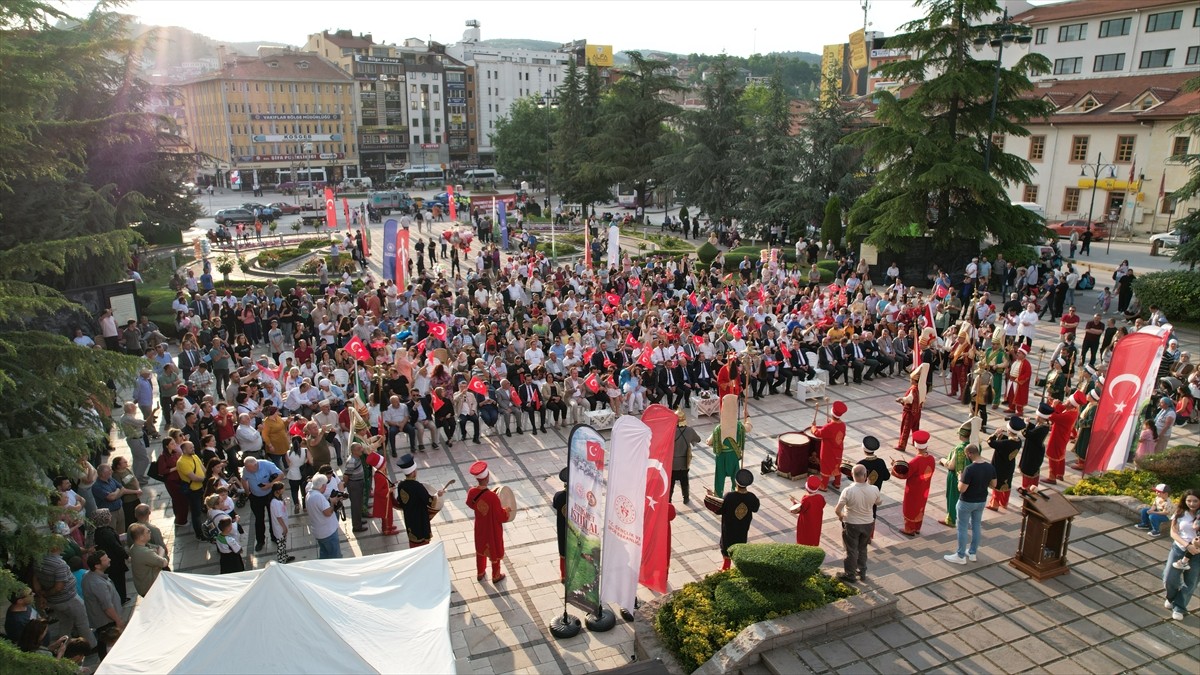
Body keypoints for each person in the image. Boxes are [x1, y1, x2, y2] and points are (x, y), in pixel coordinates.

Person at [34, 544, 95, 649]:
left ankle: (63, 647)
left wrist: (42, 594)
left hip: (55, 601)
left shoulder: (38, 561)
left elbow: (35, 578)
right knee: (82, 622)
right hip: (68, 599)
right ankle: (91, 646)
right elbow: (59, 587)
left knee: (65, 623)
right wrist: (45, 594)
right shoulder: (59, 564)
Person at [944, 444, 996, 565]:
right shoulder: (990, 467)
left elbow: (961, 489)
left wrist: (959, 478)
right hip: (981, 501)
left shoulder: (970, 469)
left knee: (962, 527)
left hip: (967, 502)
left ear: (969, 454)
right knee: (976, 526)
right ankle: (972, 553)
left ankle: (960, 555)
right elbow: (994, 484)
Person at [835, 464, 881, 583]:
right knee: (862, 548)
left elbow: (837, 510)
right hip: (868, 524)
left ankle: (850, 574)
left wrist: (841, 517)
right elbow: (879, 502)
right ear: (865, 475)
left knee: (851, 549)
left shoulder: (848, 491)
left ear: (851, 475)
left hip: (851, 524)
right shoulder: (874, 489)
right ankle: (862, 571)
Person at [466, 460, 511, 583]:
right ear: (487, 477)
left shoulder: (472, 492)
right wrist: (506, 510)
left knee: (480, 548)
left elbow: (470, 503)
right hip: (492, 528)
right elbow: (500, 517)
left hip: (480, 526)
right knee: (494, 549)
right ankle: (496, 576)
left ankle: (480, 573)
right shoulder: (492, 497)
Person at [1162, 490, 1200, 621]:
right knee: (1169, 577)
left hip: (1198, 554)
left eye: (1195, 501)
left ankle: (1180, 607)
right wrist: (1186, 545)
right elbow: (1173, 532)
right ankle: (1171, 597)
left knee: (1191, 582)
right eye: (1189, 500)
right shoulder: (1180, 512)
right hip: (1179, 548)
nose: (1192, 503)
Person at [397, 454, 445, 548]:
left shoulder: (401, 485)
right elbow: (430, 501)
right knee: (422, 545)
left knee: (413, 542)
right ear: (414, 472)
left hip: (409, 519)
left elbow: (400, 501)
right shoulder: (418, 486)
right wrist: (438, 495)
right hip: (420, 520)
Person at [716, 468, 760, 571]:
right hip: (743, 527)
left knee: (726, 545)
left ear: (735, 482)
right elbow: (755, 508)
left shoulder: (729, 496)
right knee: (740, 544)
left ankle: (726, 567)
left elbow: (719, 510)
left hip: (729, 528)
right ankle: (740, 569)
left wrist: (712, 499)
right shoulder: (751, 497)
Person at [897, 430, 937, 536]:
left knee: (910, 507)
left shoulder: (915, 462)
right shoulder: (931, 459)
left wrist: (896, 468)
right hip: (924, 488)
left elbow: (905, 475)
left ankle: (909, 529)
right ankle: (917, 527)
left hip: (913, 489)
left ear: (916, 446)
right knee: (920, 506)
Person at [708, 394, 749, 496]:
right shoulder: (739, 426)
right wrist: (747, 416)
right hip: (733, 457)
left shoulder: (718, 429)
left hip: (721, 457)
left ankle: (718, 495)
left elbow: (709, 442)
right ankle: (736, 494)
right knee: (735, 476)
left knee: (719, 477)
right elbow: (749, 427)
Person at [240, 456, 283, 553]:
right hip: (255, 497)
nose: (247, 470)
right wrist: (247, 492)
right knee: (259, 520)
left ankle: (274, 536)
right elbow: (244, 479)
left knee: (273, 517)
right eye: (246, 468)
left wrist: (270, 485)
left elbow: (281, 475)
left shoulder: (267, 465)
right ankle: (260, 541)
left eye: (249, 468)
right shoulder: (246, 469)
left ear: (255, 465)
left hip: (269, 495)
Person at [940, 418, 977, 527]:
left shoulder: (960, 448)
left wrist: (943, 460)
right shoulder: (975, 445)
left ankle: (951, 519)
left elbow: (952, 466)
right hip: (971, 476)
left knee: (953, 498)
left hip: (957, 477)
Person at [1043, 390, 1084, 485]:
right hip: (1063, 435)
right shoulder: (1073, 409)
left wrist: (1053, 405)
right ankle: (1060, 473)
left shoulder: (1069, 415)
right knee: (1061, 454)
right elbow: (1061, 408)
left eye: (1067, 401)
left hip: (1058, 435)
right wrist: (1051, 402)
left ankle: (1052, 477)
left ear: (1070, 403)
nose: (1065, 401)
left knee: (1053, 454)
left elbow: (1053, 416)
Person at [986, 417, 1025, 511]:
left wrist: (995, 434)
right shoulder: (1018, 441)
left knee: (998, 485)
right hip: (1009, 466)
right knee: (1007, 484)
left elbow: (990, 442)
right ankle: (1004, 503)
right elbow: (1006, 442)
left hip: (1000, 466)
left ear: (1009, 430)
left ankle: (994, 504)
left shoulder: (1006, 443)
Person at [811, 400, 849, 491]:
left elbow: (818, 433)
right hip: (838, 450)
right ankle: (837, 483)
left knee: (826, 467)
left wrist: (813, 427)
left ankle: (823, 485)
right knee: (836, 466)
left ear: (832, 414)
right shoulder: (843, 425)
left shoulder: (829, 427)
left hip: (828, 451)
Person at [307, 473, 344, 559]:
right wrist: (332, 503)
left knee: (324, 555)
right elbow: (328, 513)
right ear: (323, 486)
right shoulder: (318, 497)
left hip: (319, 532)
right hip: (327, 533)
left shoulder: (310, 494)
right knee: (335, 556)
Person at [365, 448, 400, 536]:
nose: (386, 464)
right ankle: (386, 530)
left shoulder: (380, 473)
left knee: (389, 514)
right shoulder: (379, 476)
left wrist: (391, 484)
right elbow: (379, 490)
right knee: (386, 515)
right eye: (384, 463)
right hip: (383, 499)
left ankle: (390, 526)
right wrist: (389, 490)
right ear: (380, 465)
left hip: (386, 499)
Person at [127, 523, 169, 597]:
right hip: (151, 589)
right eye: (147, 532)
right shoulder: (144, 552)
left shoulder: (134, 547)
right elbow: (164, 563)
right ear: (141, 537)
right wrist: (161, 553)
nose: (150, 532)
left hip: (145, 587)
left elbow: (156, 548)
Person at [1018, 404, 1053, 490]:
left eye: (1037, 415)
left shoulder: (1043, 428)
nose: (1036, 417)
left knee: (1028, 470)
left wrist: (1025, 425)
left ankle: (1027, 489)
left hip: (1033, 453)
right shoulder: (1042, 425)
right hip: (1033, 449)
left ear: (1041, 417)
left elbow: (1027, 434)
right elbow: (1034, 429)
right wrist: (1028, 424)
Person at [895, 363, 929, 450]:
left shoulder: (914, 389)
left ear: (914, 380)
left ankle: (902, 445)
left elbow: (909, 399)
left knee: (905, 429)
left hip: (909, 412)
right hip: (918, 411)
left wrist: (901, 399)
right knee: (915, 427)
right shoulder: (922, 387)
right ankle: (916, 442)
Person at [670, 407, 700, 503]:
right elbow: (698, 440)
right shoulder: (689, 430)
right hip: (684, 462)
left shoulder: (670, 431)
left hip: (672, 463)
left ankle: (668, 500)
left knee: (671, 483)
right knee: (684, 482)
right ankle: (686, 498)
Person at [788, 475, 826, 546]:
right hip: (817, 521)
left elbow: (801, 510)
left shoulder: (806, 499)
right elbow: (823, 505)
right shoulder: (820, 497)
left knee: (805, 535)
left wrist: (794, 502)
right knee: (815, 533)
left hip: (806, 522)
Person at [269, 481, 295, 563]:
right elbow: (279, 517)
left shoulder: (277, 499)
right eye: (282, 489)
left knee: (283, 543)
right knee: (281, 544)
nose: (283, 490)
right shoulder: (275, 503)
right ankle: (281, 560)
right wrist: (284, 528)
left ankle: (284, 556)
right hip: (280, 527)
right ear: (277, 491)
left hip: (282, 525)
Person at [1005, 344, 1033, 416]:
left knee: (1018, 397)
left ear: (1024, 355)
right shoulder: (1016, 361)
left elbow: (1027, 374)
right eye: (1018, 352)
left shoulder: (1026, 364)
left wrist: (1019, 379)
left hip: (1018, 382)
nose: (1017, 354)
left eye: (1019, 353)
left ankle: (1019, 410)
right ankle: (1011, 408)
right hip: (1011, 380)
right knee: (1011, 395)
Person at [552, 467, 570, 581]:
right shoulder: (578, 497)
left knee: (563, 549)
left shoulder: (558, 496)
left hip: (562, 527)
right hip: (574, 528)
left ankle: (563, 575)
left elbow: (555, 506)